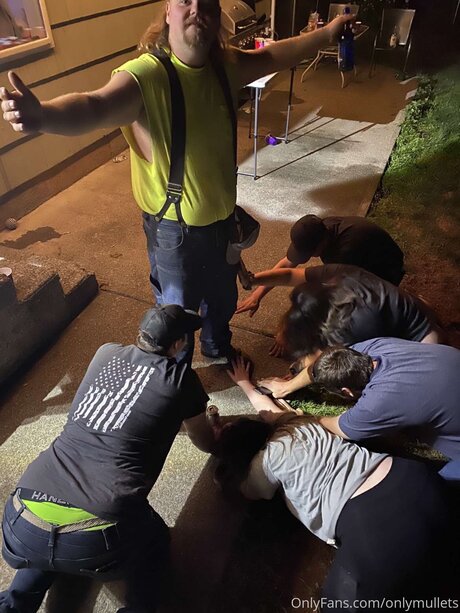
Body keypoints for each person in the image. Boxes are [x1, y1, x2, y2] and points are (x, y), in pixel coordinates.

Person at [0, 1, 351, 362]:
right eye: (185, 0)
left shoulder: (225, 68)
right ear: (168, 12)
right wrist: (42, 116)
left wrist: (327, 33)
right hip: (174, 235)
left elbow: (275, 55)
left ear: (217, 16)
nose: (197, 8)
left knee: (222, 299)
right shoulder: (146, 76)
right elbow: (94, 105)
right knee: (175, 316)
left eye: (207, 2)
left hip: (223, 226)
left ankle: (217, 349)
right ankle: (176, 376)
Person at [0, 304, 215, 613]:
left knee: (46, 544)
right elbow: (205, 442)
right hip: (99, 533)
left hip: (21, 519)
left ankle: (14, 604)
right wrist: (215, 431)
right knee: (154, 539)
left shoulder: (105, 352)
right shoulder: (181, 379)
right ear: (178, 344)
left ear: (140, 334)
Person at [218, 356, 450, 609]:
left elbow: (251, 493)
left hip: (370, 522)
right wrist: (245, 384)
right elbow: (269, 411)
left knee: (338, 603)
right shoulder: (297, 426)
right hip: (412, 477)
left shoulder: (261, 465)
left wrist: (228, 474)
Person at [257, 338, 460, 469]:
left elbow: (339, 427)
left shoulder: (378, 401)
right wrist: (287, 387)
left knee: (440, 481)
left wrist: (301, 418)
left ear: (346, 392)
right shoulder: (375, 347)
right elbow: (324, 362)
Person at [246, 263, 443, 358]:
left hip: (423, 339)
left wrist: (288, 384)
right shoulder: (336, 276)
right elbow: (290, 275)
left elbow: (322, 362)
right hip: (411, 308)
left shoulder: (349, 326)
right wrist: (252, 280)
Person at [236, 214, 405, 318]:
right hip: (368, 254)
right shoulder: (322, 227)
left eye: (309, 253)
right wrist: (257, 295)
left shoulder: (344, 253)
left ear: (322, 242)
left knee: (347, 310)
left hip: (385, 269)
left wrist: (290, 329)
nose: (306, 257)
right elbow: (287, 264)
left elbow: (318, 292)